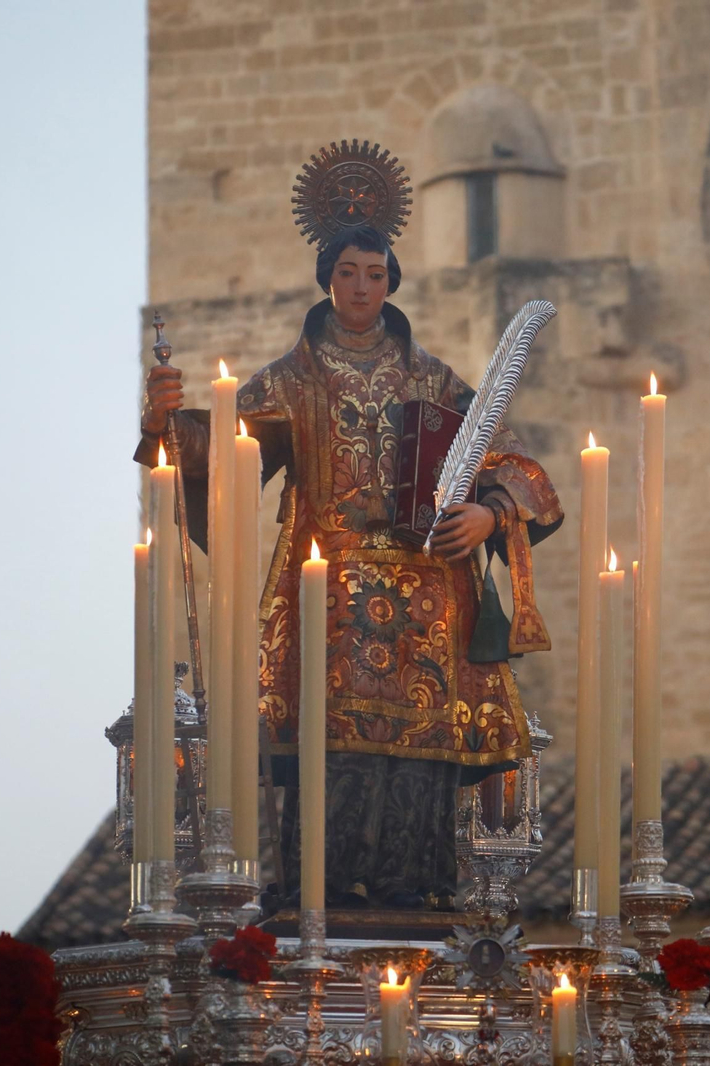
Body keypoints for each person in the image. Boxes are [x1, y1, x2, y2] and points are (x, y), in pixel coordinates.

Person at [138, 222, 562, 911]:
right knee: (329, 744)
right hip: (325, 592)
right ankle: (323, 885)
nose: (361, 286)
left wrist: (489, 513)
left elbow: (512, 462)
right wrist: (167, 424)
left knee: (420, 751)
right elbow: (219, 452)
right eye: (347, 272)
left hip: (427, 597)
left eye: (374, 272)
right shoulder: (291, 379)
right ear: (327, 282)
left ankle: (415, 883)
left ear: (391, 281)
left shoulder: (432, 379)